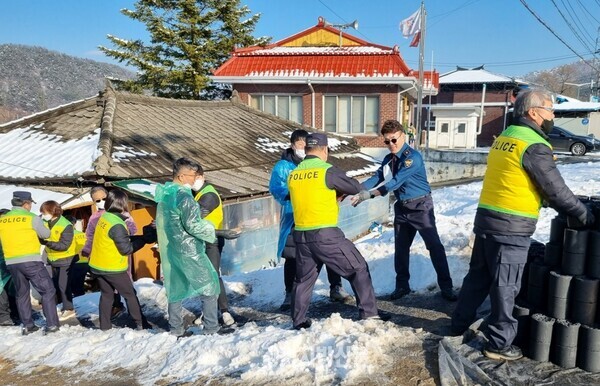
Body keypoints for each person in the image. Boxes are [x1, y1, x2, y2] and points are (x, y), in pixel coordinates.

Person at [451, 89, 596, 361]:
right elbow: (553, 188)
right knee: (506, 286)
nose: (553, 116)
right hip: (510, 225)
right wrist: (582, 213)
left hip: (487, 220)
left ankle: (458, 324)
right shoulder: (533, 143)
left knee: (478, 278)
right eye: (550, 110)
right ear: (533, 112)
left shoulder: (506, 137)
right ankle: (499, 344)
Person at [353, 119, 456, 302]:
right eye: (387, 141)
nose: (391, 144)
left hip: (420, 207)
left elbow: (394, 183)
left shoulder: (412, 157)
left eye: (394, 140)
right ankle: (402, 286)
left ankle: (446, 287)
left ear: (403, 136)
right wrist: (357, 190)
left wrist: (370, 195)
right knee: (401, 250)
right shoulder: (388, 160)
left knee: (435, 247)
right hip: (402, 208)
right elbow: (377, 177)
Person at [288, 133, 379, 329]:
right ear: (325, 150)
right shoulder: (326, 171)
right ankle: (369, 314)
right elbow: (355, 187)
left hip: (301, 234)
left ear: (305, 150)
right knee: (358, 268)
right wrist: (340, 192)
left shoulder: (294, 174)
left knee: (303, 280)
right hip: (325, 234)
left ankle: (299, 321)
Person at [269, 129, 353, 311]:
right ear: (292, 146)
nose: (304, 150)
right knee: (292, 256)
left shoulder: (319, 164)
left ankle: (336, 287)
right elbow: (276, 189)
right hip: (295, 217)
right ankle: (290, 294)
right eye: (300, 147)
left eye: (306, 147)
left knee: (330, 250)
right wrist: (296, 195)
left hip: (319, 216)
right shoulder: (283, 167)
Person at [155, 157, 234, 337]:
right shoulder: (184, 197)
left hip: (171, 247)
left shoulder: (165, 195)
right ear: (182, 177)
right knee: (209, 287)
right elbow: (193, 225)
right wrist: (218, 233)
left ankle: (176, 329)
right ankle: (211, 327)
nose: (194, 179)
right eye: (192, 175)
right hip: (189, 249)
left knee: (175, 288)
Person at [0, 191, 59, 334]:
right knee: (48, 290)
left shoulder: (3, 220)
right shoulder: (31, 218)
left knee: (22, 293)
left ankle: (28, 325)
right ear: (26, 204)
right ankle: (52, 325)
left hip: (11, 263)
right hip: (31, 261)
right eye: (31, 203)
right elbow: (46, 234)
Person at [88, 190, 146, 331]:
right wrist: (143, 240)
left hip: (98, 265)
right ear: (123, 204)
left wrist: (141, 238)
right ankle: (140, 324)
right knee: (130, 295)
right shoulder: (116, 224)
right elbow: (126, 249)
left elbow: (120, 239)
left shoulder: (105, 217)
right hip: (112, 267)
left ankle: (105, 326)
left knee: (107, 295)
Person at [82, 186, 137, 318]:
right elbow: (89, 236)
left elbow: (133, 230)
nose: (101, 201)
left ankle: (133, 313)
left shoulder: (122, 213)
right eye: (97, 200)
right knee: (108, 289)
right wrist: (86, 250)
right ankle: (118, 307)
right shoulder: (94, 217)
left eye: (103, 198)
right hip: (102, 257)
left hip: (119, 255)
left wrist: (121, 234)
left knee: (125, 287)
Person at [193, 168, 237, 326]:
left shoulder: (209, 195)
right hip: (200, 240)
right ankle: (208, 310)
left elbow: (192, 218)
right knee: (205, 277)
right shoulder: (196, 194)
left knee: (212, 275)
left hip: (213, 240)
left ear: (203, 177)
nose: (193, 180)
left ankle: (224, 311)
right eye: (191, 177)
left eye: (196, 177)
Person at [39, 201, 77, 320]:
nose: (42, 215)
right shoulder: (45, 222)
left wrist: (47, 243)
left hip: (66, 259)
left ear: (52, 211)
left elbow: (64, 245)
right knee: (57, 284)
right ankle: (64, 305)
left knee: (63, 285)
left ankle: (69, 308)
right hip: (53, 259)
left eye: (44, 212)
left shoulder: (66, 225)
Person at [0, 208, 17, 326]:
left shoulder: (12, 230)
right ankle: (3, 316)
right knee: (2, 291)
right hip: (2, 264)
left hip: (11, 262)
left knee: (14, 289)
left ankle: (15, 313)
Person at [66, 215, 88, 297]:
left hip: (73, 262)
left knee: (72, 286)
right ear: (74, 223)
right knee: (80, 284)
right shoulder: (83, 234)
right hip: (85, 262)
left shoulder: (68, 235)